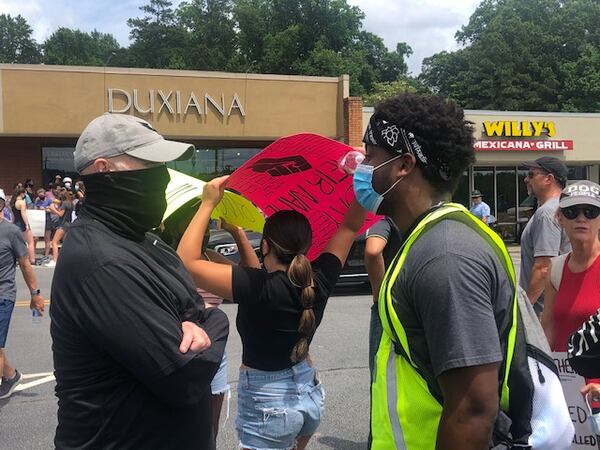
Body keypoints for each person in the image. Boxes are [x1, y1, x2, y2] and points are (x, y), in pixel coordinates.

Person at [50, 113, 228, 450]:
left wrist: (196, 319)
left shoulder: (145, 240)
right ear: (104, 170)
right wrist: (215, 320)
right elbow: (185, 377)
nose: (162, 177)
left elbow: (190, 305)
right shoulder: (100, 261)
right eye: (151, 165)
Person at [360, 93, 522, 449]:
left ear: (403, 165)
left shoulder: (445, 256)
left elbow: (473, 408)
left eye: (370, 157)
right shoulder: (423, 239)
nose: (361, 167)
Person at [177, 177, 366, 450]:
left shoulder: (260, 288)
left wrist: (208, 202)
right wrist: (365, 180)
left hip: (269, 404)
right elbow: (350, 226)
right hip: (308, 394)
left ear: (265, 246)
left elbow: (187, 262)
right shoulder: (319, 278)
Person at [542, 180, 600, 418]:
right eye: (572, 212)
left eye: (591, 211)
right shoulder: (555, 269)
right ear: (560, 219)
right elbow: (548, 330)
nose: (581, 218)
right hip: (564, 395)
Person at [0, 191, 45, 399]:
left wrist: (35, 294)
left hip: (3, 295)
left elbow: (25, 264)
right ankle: (10, 375)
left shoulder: (11, 232)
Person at [520, 156, 570, 315]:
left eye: (532, 174)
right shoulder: (564, 207)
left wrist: (525, 311)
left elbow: (543, 267)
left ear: (549, 178)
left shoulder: (547, 213)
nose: (526, 179)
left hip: (542, 314)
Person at [363, 217, 400, 378]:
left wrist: (379, 296)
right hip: (415, 299)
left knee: (381, 370)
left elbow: (373, 251)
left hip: (389, 304)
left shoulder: (383, 218)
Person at [45, 190, 73, 267]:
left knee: (54, 242)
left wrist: (53, 209)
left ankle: (55, 260)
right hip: (68, 223)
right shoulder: (70, 203)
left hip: (63, 224)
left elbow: (60, 214)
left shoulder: (64, 203)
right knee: (65, 243)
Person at [10, 187, 36, 264]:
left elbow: (13, 216)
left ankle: (17, 258)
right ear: (21, 193)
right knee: (30, 242)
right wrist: (27, 225)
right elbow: (23, 214)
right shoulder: (22, 202)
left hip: (15, 223)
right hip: (22, 224)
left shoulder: (13, 203)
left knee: (17, 243)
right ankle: (32, 259)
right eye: (24, 193)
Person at [33, 188, 53, 261]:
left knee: (47, 238)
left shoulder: (49, 200)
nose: (41, 195)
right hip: (38, 221)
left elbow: (52, 209)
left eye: (42, 194)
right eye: (39, 194)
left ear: (45, 194)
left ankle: (46, 255)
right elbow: (34, 209)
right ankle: (33, 253)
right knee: (35, 238)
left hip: (47, 221)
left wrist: (45, 209)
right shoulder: (37, 201)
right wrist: (38, 208)